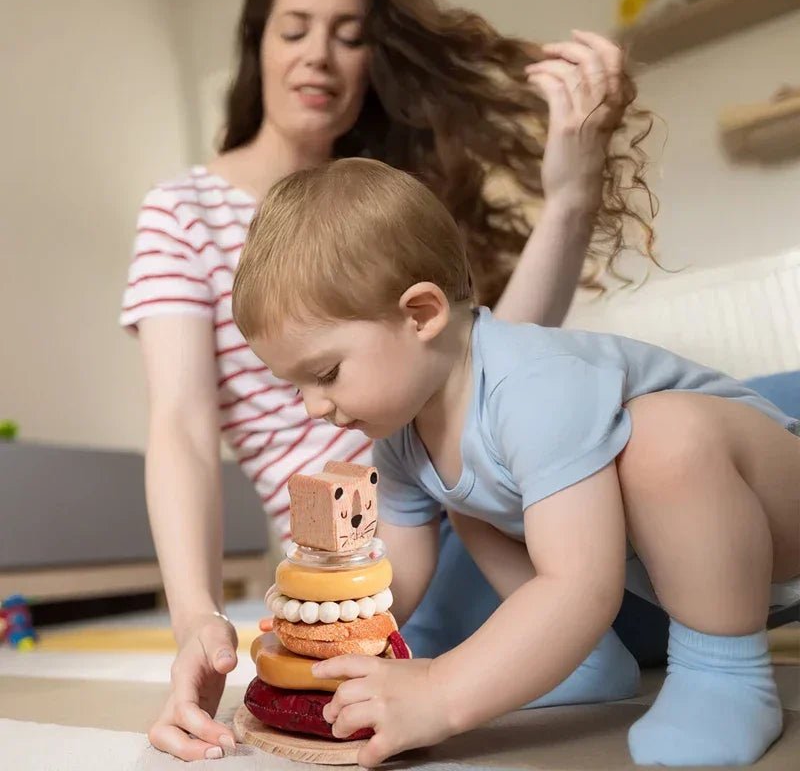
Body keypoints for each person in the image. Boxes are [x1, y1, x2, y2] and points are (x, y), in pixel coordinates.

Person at [121, 0, 655, 761]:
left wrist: (571, 198)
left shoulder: (383, 196)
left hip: (495, 494)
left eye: (351, 35)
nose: (320, 55)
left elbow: (490, 367)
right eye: (295, 28)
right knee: (654, 535)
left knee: (681, 453)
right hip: (384, 570)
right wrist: (196, 617)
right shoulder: (184, 213)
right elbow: (182, 427)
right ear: (256, 43)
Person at [232, 157, 800, 769]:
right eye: (297, 386)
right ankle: (589, 661)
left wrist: (443, 691)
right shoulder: (402, 432)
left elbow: (581, 584)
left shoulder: (533, 387)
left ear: (420, 315)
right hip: (680, 568)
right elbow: (398, 572)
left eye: (326, 374)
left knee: (660, 436)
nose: (314, 407)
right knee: (471, 496)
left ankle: (723, 672)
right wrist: (327, 629)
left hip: (770, 513)